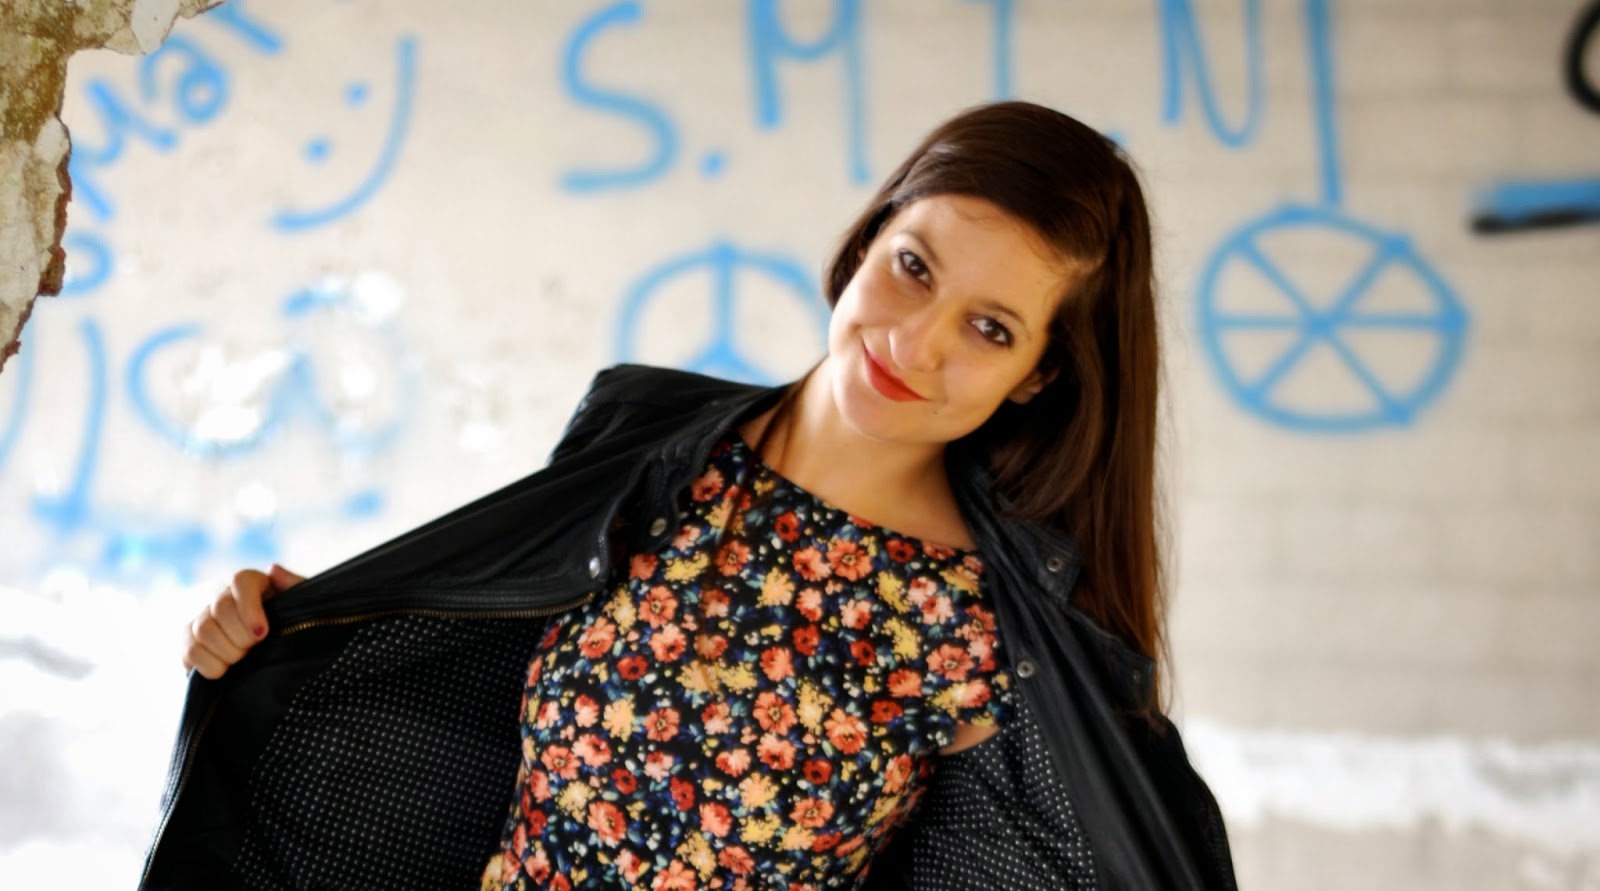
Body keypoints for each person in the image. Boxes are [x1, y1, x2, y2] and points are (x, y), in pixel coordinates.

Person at [156, 101, 1235, 890]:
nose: (916, 342)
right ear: (869, 238)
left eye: (989, 328)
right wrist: (300, 631)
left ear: (1038, 375)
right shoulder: (642, 442)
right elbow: (458, 700)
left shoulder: (981, 628)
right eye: (914, 267)